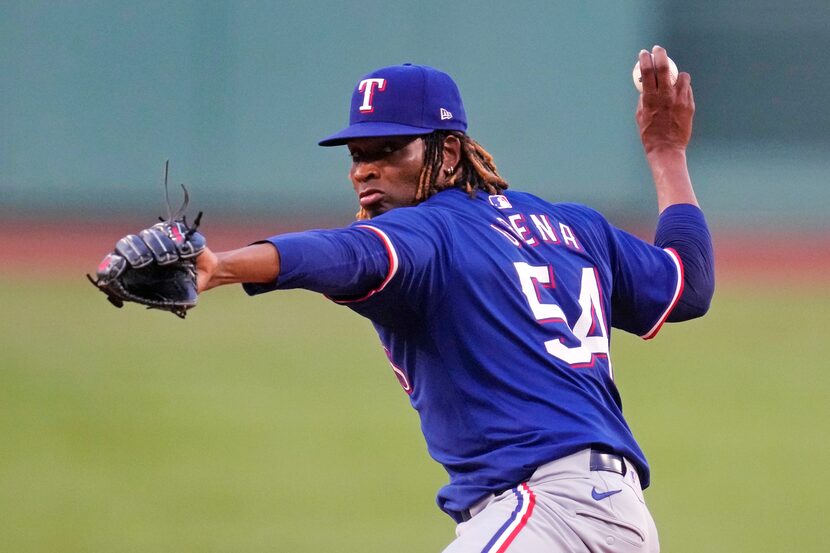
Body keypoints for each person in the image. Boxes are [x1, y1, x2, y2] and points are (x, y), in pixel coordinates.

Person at [195, 46, 714, 552]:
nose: (364, 171)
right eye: (358, 156)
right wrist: (666, 153)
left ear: (446, 153)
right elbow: (687, 281)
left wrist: (221, 266)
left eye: (390, 150)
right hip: (610, 514)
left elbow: (344, 254)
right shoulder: (572, 226)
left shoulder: (430, 233)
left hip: (549, 517)